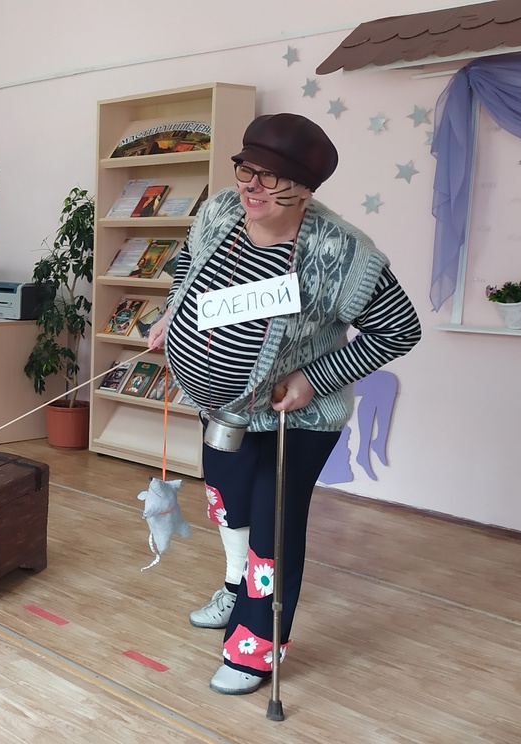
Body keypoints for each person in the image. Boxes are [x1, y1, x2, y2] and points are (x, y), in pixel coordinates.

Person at [145, 113, 421, 695]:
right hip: (219, 407)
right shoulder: (221, 210)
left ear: (306, 187)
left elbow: (400, 329)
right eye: (247, 169)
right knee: (229, 506)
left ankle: (254, 648)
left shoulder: (345, 253)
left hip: (294, 419)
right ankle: (234, 588)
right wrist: (171, 313)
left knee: (274, 529)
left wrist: (315, 379)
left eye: (271, 178)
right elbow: (187, 263)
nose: (253, 186)